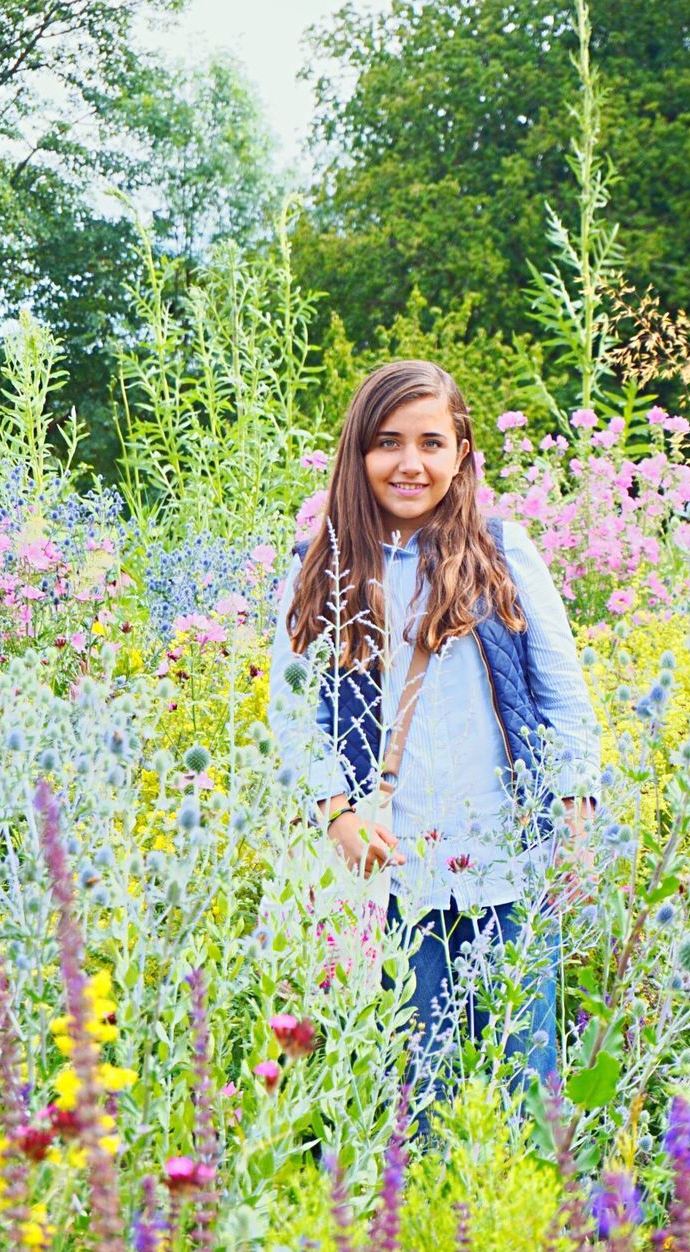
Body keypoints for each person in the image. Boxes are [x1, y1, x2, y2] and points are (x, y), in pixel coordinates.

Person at [268, 359, 600, 1097]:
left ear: (460, 454)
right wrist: (337, 815)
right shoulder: (317, 568)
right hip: (391, 878)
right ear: (358, 454)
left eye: (430, 443)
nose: (409, 464)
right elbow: (293, 717)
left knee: (520, 1089)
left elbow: (564, 701)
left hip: (509, 869)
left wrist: (574, 824)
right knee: (413, 1092)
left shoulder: (504, 553)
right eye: (388, 443)